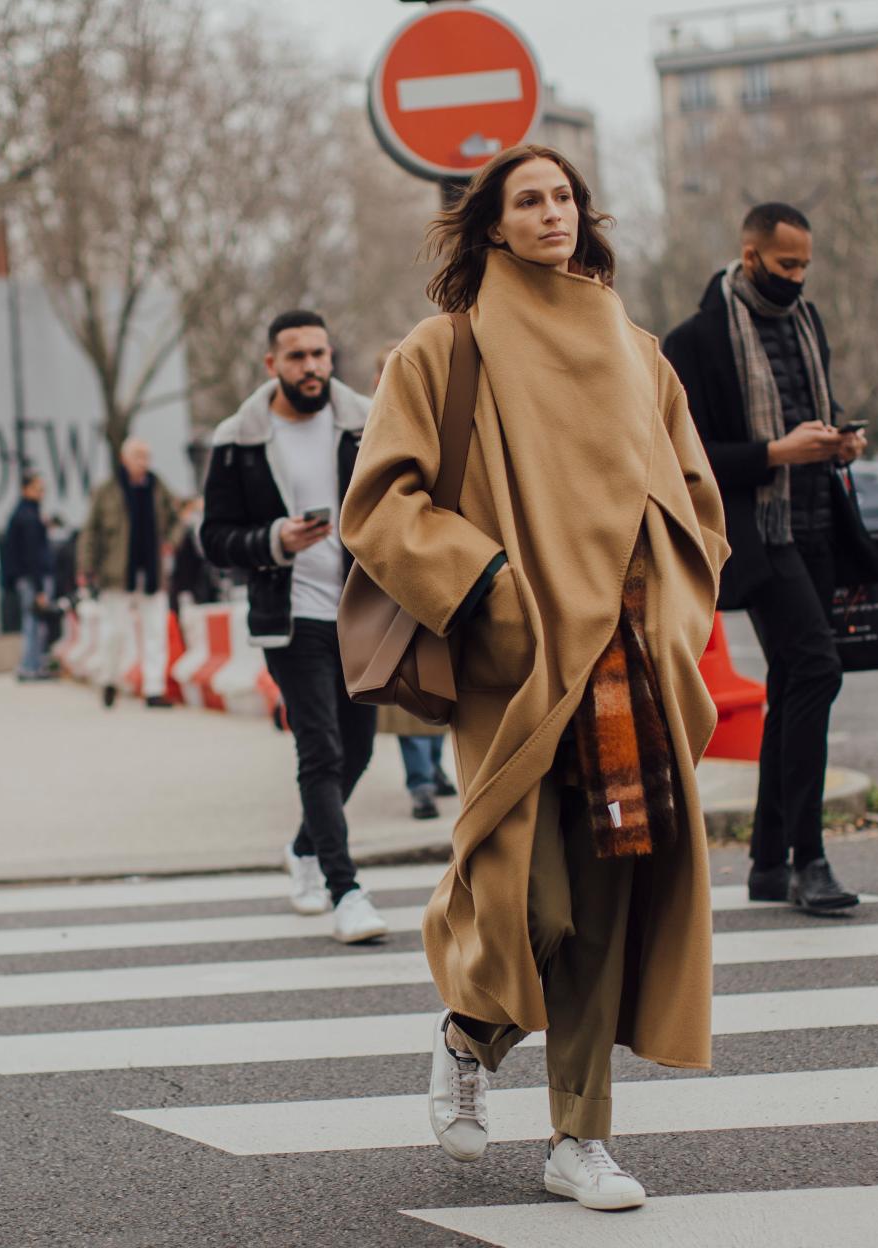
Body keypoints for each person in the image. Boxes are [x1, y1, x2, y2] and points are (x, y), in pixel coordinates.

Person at [341, 145, 728, 1211]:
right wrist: (497, 594)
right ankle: (469, 1032)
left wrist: (670, 612)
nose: (552, 212)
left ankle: (579, 1138)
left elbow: (695, 499)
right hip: (515, 672)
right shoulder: (440, 351)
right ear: (493, 227)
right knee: (536, 908)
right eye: (529, 200)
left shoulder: (638, 349)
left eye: (563, 196)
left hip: (626, 669)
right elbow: (378, 507)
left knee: (605, 909)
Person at [663, 202, 876, 915]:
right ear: (750, 256)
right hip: (756, 533)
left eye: (806, 266)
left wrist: (841, 441)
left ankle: (767, 861)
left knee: (793, 680)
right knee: (817, 665)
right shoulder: (696, 339)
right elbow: (681, 455)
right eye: (787, 266)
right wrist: (776, 453)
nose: (798, 279)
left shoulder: (805, 324)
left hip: (816, 521)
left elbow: (817, 401)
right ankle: (809, 857)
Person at [201, 310, 387, 944]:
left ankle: (305, 849)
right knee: (322, 749)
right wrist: (274, 540)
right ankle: (346, 890)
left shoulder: (366, 421)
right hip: (292, 616)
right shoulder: (241, 438)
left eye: (319, 354)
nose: (311, 366)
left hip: (361, 611)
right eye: (297, 356)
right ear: (272, 364)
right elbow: (215, 539)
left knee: (359, 748)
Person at [370, 342, 458, 821]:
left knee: (442, 682)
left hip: (441, 575)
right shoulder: (370, 433)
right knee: (410, 689)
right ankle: (420, 782)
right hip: (393, 584)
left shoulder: (438, 419)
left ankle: (435, 771)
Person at [78, 439, 181, 709]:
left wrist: (171, 540)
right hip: (117, 572)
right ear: (124, 459)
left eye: (147, 456)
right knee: (115, 631)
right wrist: (86, 568)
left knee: (155, 631)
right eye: (138, 456)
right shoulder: (107, 490)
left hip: (152, 572)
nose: (144, 462)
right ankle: (110, 680)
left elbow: (177, 517)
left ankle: (154, 689)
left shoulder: (158, 487)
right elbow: (91, 531)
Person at [4, 471, 54, 682]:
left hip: (27, 577)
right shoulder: (29, 517)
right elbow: (33, 554)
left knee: (33, 621)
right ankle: (30, 666)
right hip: (34, 578)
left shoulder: (21, 514)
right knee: (35, 622)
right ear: (26, 490)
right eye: (37, 488)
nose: (41, 493)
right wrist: (40, 587)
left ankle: (31, 664)